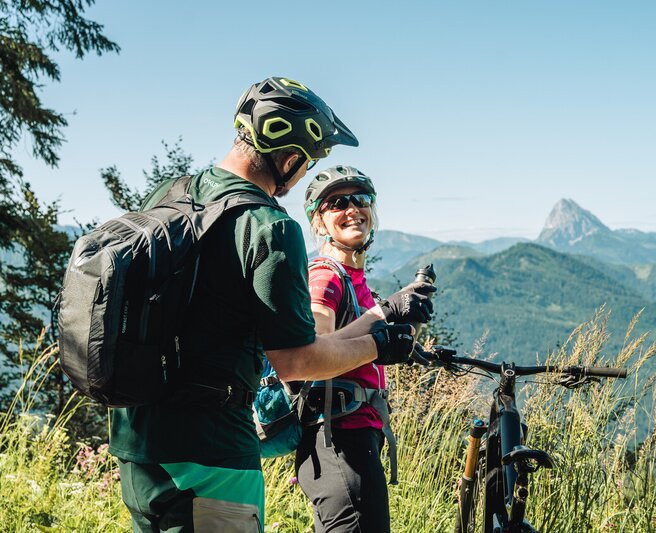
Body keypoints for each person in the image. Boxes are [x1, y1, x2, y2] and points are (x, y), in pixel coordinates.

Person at [108, 77, 429, 532]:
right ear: (290, 154)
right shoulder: (269, 226)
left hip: (136, 440)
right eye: (309, 162)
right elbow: (297, 360)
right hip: (212, 452)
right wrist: (381, 345)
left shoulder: (170, 194)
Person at [294, 165, 433, 532]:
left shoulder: (356, 281)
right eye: (338, 202)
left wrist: (403, 345)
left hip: (352, 441)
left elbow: (356, 340)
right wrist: (384, 316)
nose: (353, 208)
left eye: (362, 199)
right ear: (319, 223)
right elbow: (311, 351)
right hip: (338, 442)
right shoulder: (324, 276)